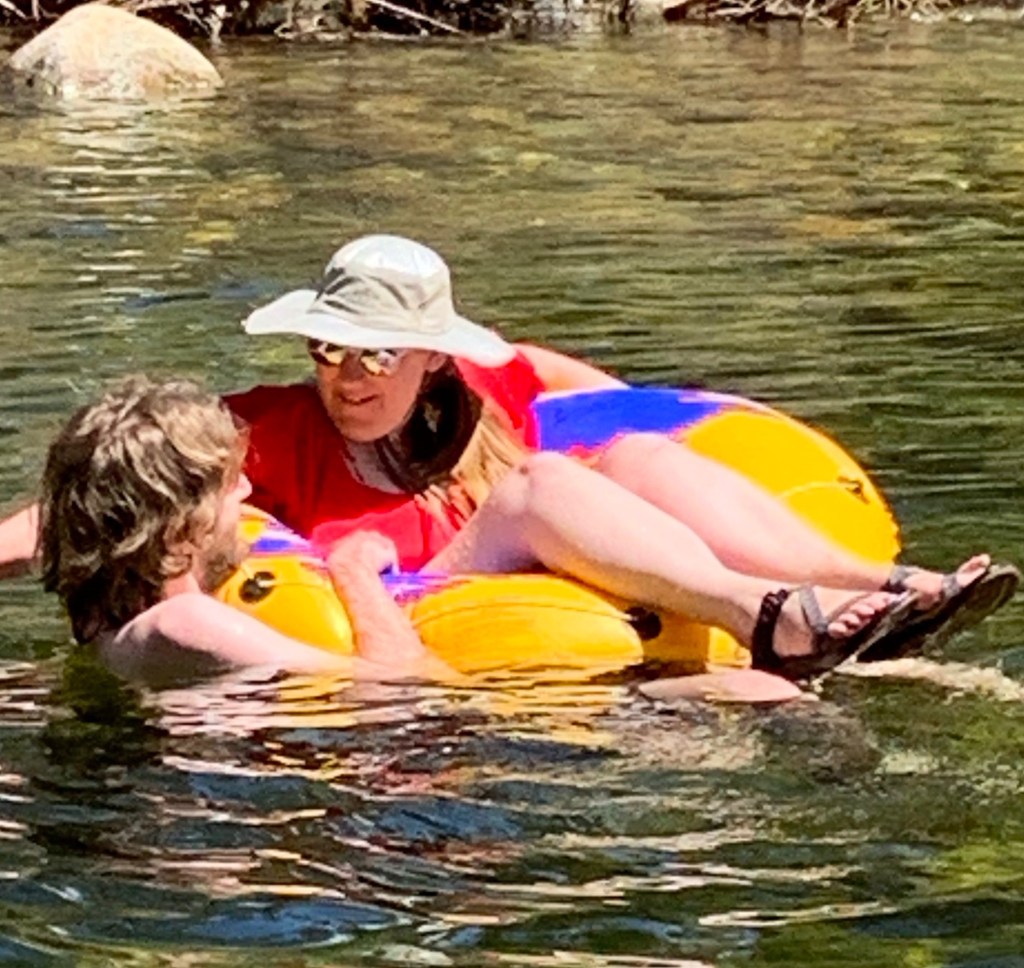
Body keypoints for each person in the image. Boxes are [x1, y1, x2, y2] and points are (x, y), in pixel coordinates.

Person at [2, 236, 1017, 684]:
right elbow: (102, 496)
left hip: (570, 602)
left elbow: (663, 419)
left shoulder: (509, 388)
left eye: (376, 353)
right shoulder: (263, 426)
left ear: (437, 354)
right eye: (327, 347)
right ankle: (768, 615)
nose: (345, 375)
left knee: (626, 456)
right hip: (414, 606)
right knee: (543, 483)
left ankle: (883, 590)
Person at [36, 376, 440, 689]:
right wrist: (355, 571)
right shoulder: (184, 622)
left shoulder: (102, 628)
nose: (247, 493)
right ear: (182, 528)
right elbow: (400, 685)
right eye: (230, 485)